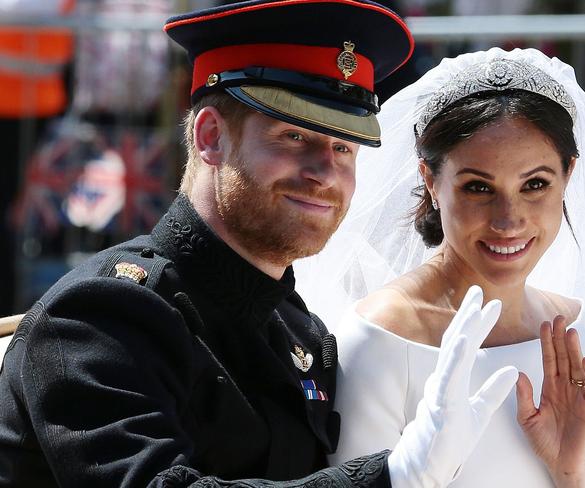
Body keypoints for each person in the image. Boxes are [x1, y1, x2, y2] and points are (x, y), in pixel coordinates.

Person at [0, 2, 521, 487]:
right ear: (210, 137)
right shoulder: (100, 318)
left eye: (344, 147)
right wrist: (391, 477)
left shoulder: (299, 330)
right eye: (294, 137)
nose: (325, 173)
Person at [296, 48, 585, 486]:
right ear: (431, 180)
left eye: (535, 184)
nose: (508, 219)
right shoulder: (381, 339)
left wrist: (571, 471)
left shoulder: (577, 330)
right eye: (478, 187)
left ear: (568, 176)